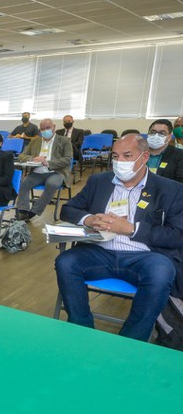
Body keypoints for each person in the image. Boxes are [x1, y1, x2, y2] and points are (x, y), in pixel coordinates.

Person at [55, 134, 183, 341]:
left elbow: (177, 235)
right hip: (100, 251)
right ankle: (81, 329)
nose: (120, 162)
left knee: (162, 271)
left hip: (145, 256)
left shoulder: (171, 190)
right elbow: (68, 210)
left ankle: (131, 341)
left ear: (144, 157)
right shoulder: (99, 181)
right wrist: (89, 219)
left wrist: (131, 228)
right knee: (65, 261)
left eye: (127, 155)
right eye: (115, 156)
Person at [16, 118, 74, 220]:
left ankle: (35, 211)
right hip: (37, 172)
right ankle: (23, 211)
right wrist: (33, 158)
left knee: (51, 184)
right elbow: (22, 155)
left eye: (48, 128)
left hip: (56, 172)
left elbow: (67, 159)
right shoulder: (35, 141)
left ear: (54, 127)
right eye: (42, 129)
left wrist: (48, 163)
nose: (45, 131)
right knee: (24, 184)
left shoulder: (64, 140)